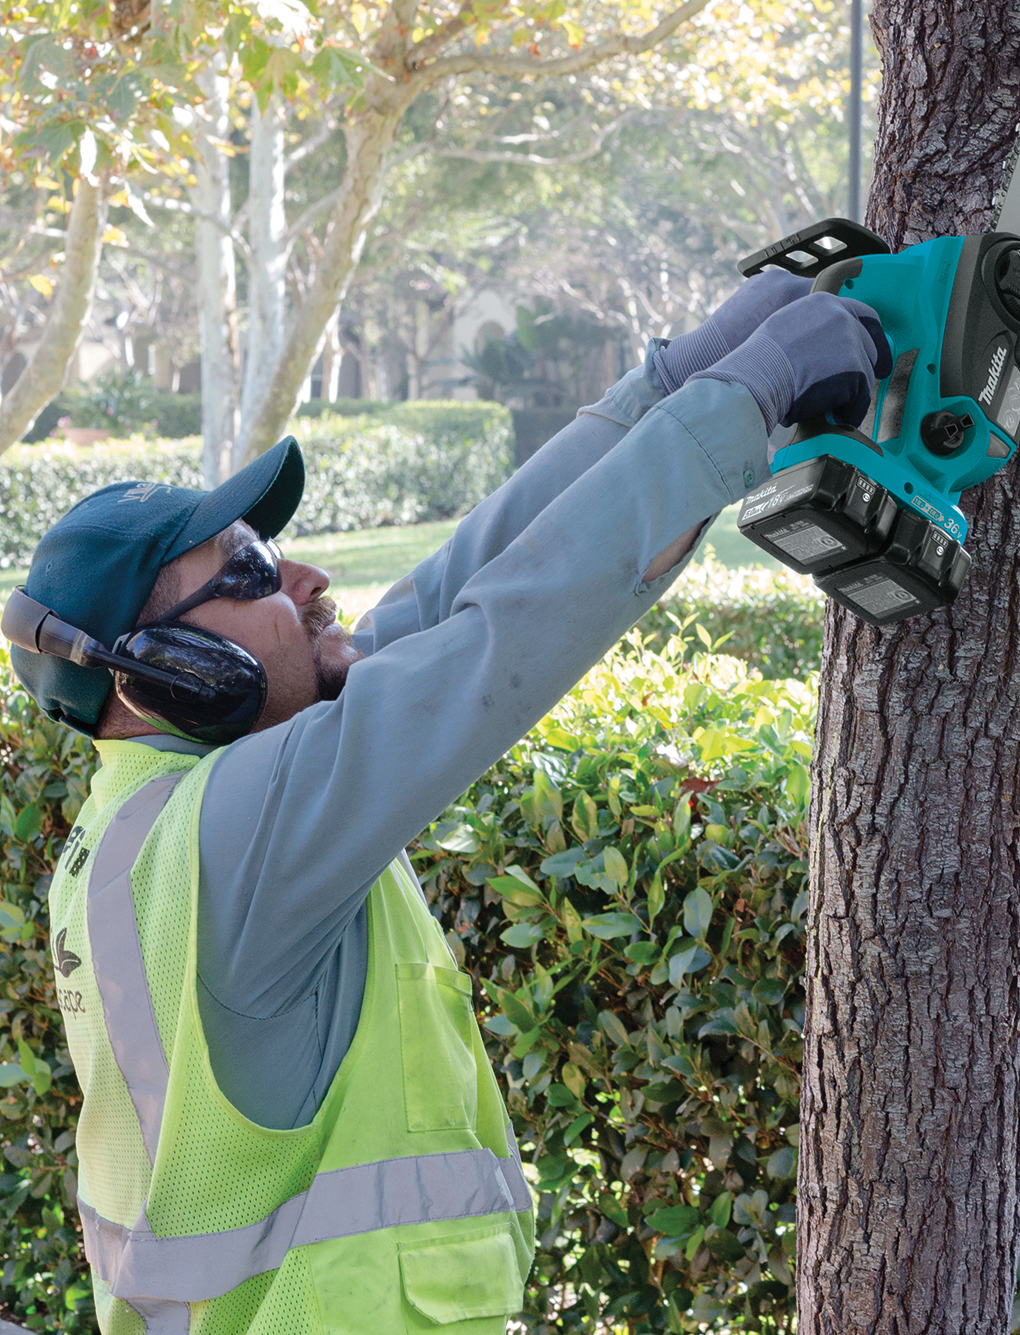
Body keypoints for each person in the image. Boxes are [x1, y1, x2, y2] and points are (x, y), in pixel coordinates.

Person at [2, 270, 890, 1335]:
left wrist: (677, 379)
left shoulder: (147, 830)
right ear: (169, 668)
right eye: (249, 574)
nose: (309, 579)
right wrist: (750, 392)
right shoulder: (236, 836)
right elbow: (506, 632)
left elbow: (452, 589)